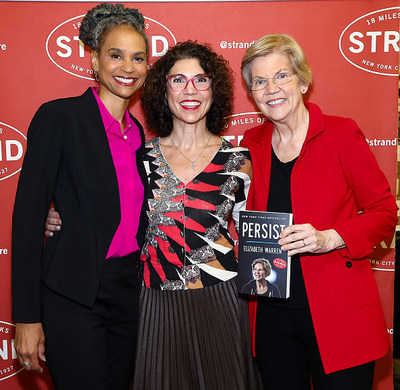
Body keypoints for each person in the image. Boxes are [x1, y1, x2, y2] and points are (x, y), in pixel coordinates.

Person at [239, 33, 398, 390]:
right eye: (260, 82)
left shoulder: (341, 133)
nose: (271, 89)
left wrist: (331, 237)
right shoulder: (251, 143)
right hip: (271, 315)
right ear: (252, 94)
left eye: (282, 75)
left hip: (338, 315)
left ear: (303, 80)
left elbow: (385, 211)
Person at [12, 4, 148, 389]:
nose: (127, 67)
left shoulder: (138, 133)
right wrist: (25, 317)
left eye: (138, 58)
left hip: (127, 294)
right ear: (94, 59)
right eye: (116, 55)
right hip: (72, 293)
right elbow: (26, 219)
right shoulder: (60, 118)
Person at [133, 41, 262, 389]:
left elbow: (256, 235)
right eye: (178, 81)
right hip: (156, 300)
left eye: (201, 80)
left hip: (221, 299)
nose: (190, 90)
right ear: (163, 90)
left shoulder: (239, 159)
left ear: (214, 89)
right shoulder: (140, 158)